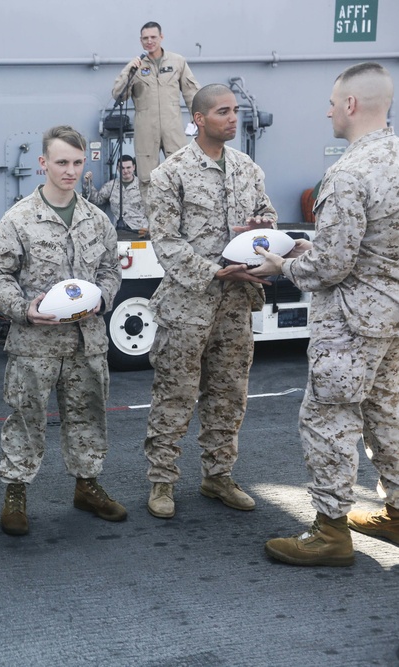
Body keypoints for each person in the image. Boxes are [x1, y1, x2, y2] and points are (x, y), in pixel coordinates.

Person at [254, 63, 399, 567]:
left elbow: (332, 265)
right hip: (395, 318)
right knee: (390, 413)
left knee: (329, 418)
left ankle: (330, 531)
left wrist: (285, 264)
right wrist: (309, 250)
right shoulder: (398, 157)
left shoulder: (347, 173)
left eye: (333, 102)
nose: (328, 110)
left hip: (353, 322)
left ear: (352, 106)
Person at [0, 126, 127, 536]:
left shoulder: (97, 220)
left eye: (78, 163)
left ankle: (87, 484)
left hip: (87, 341)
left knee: (89, 415)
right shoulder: (19, 219)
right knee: (26, 418)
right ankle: (15, 492)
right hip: (35, 342)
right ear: (43, 163)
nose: (71, 171)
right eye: (62, 162)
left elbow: (110, 271)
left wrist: (104, 298)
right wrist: (22, 309)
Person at [142, 83, 276, 520]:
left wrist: (262, 228)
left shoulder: (247, 168)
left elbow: (267, 216)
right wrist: (214, 271)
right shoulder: (171, 173)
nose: (234, 118)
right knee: (174, 395)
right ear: (199, 119)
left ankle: (217, 476)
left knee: (228, 395)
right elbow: (165, 240)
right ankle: (162, 481)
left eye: (236, 110)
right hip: (187, 307)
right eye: (224, 111)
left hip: (236, 305)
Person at [111, 21, 199, 193]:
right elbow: (118, 95)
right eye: (145, 38)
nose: (149, 41)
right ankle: (152, 217)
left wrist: (197, 120)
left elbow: (192, 93)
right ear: (140, 41)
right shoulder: (136, 66)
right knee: (146, 177)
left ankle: (181, 215)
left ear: (161, 37)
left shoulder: (177, 62)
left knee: (181, 172)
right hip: (146, 128)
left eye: (153, 37)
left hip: (172, 126)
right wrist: (129, 70)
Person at [83, 155, 149, 233]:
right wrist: (88, 183)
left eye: (128, 167)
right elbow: (97, 199)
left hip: (140, 230)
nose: (125, 171)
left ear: (134, 167)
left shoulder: (143, 186)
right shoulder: (111, 185)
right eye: (122, 168)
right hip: (118, 230)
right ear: (118, 168)